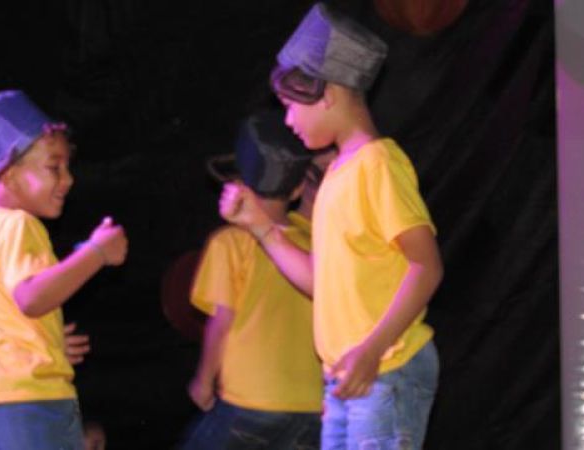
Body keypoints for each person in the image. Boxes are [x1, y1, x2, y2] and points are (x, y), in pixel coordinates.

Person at [219, 3, 443, 449]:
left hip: (387, 368)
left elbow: (426, 266)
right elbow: (323, 282)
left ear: (327, 94)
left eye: (290, 106)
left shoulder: (377, 164)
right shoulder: (338, 176)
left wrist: (371, 349)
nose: (288, 120)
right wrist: (261, 228)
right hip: (350, 377)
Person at [0, 90, 128, 450]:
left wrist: (39, 341)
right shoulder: (18, 225)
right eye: (54, 167)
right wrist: (96, 253)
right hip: (28, 399)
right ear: (8, 174)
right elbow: (31, 297)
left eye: (68, 167)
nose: (68, 179)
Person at [182, 110, 323, 449]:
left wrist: (204, 379)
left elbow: (221, 321)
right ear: (298, 189)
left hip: (249, 400)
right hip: (311, 406)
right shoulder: (314, 247)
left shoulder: (230, 242)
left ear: (239, 184)